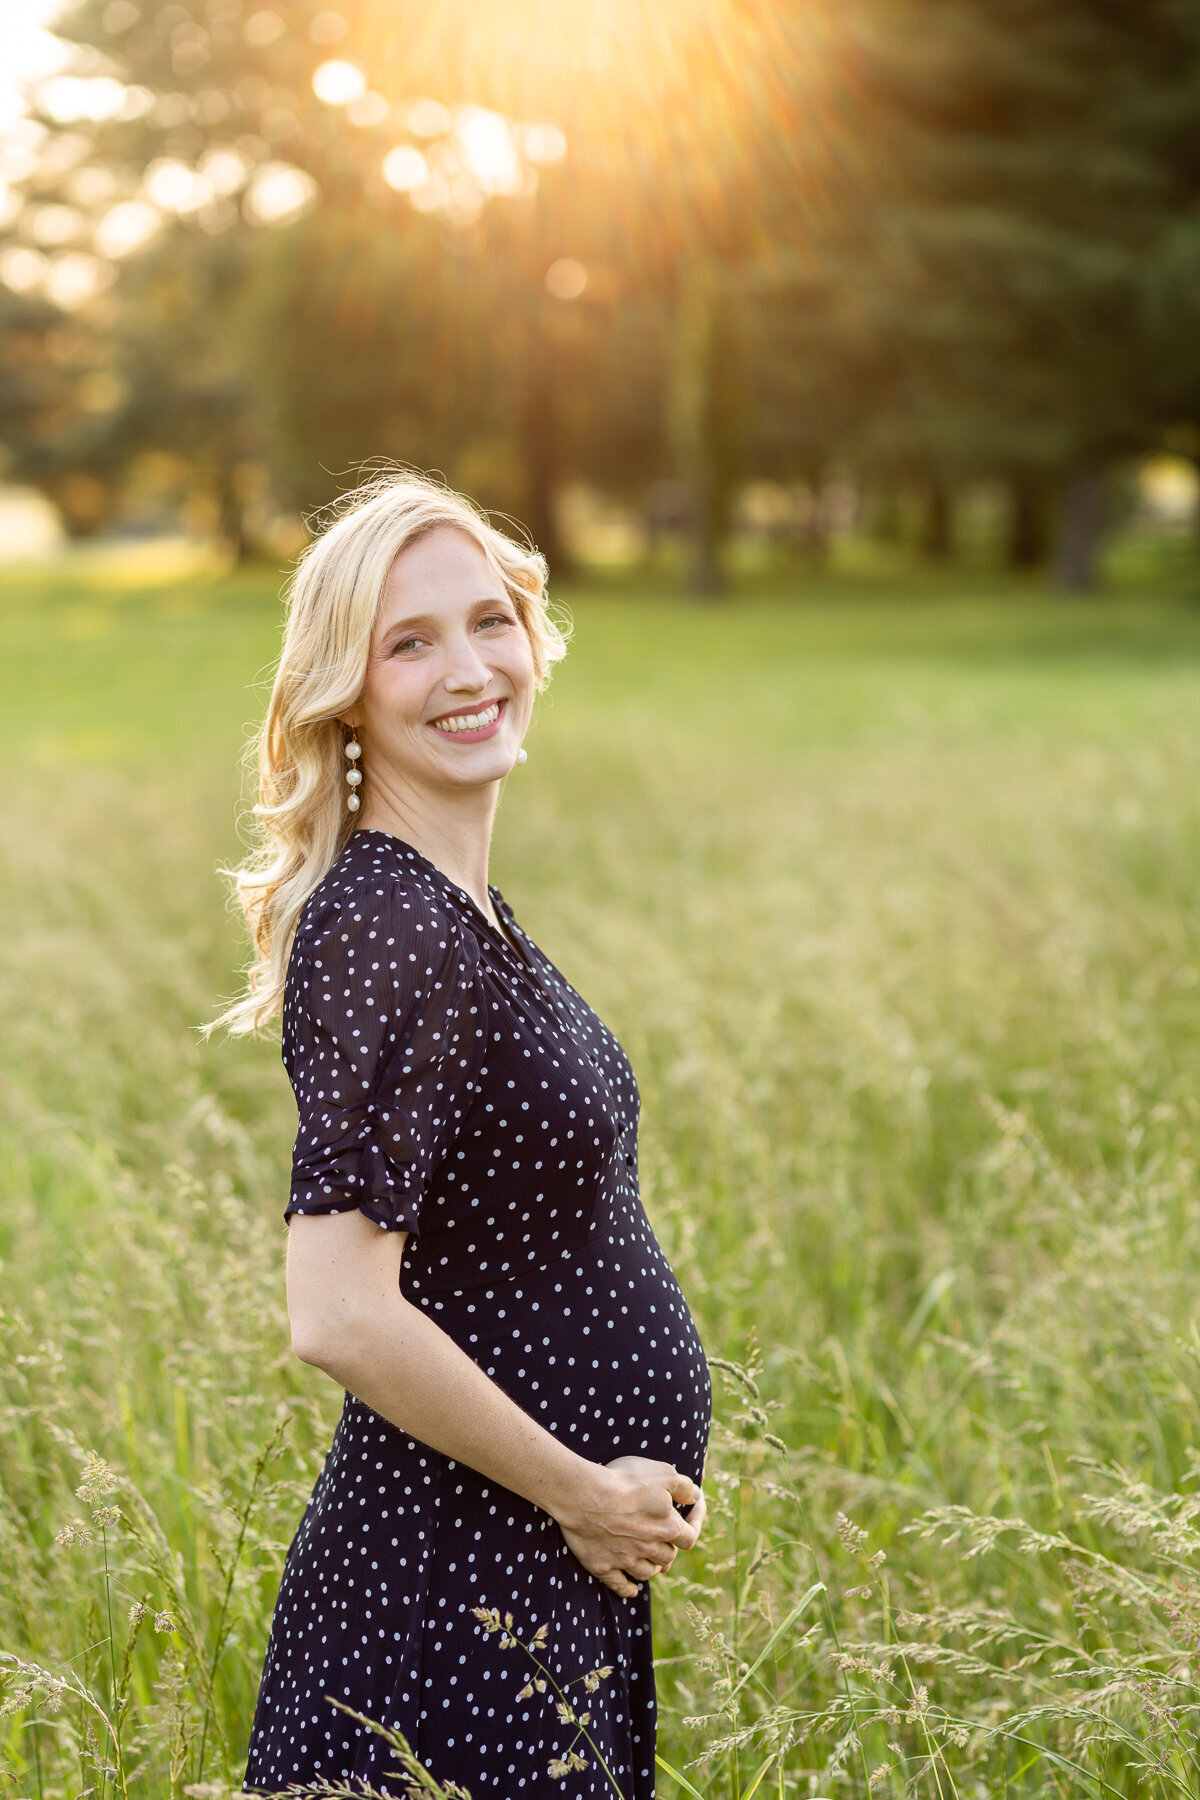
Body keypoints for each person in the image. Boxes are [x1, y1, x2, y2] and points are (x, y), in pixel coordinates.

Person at [215, 473, 711, 1798]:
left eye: (488, 620)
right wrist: (580, 1492)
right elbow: (336, 1312)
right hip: (454, 1584)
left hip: (526, 1568)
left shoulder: (457, 905)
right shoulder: (392, 923)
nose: (469, 667)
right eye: (409, 641)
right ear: (349, 691)